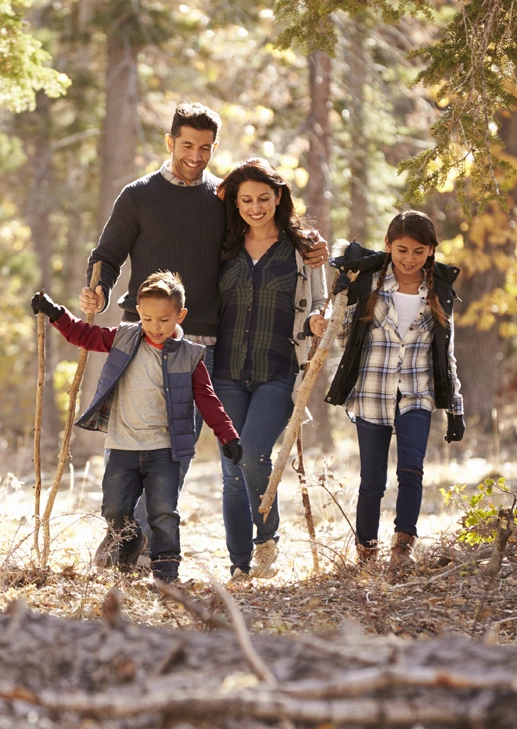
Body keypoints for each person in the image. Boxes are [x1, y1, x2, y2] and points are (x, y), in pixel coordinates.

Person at [77, 102, 328, 548]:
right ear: (170, 142)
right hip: (141, 336)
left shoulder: (221, 199)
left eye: (206, 147)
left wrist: (309, 243)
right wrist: (96, 287)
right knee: (136, 441)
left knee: (178, 449)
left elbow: (263, 228)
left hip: (202, 343)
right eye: (187, 145)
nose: (196, 155)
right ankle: (123, 531)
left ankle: (137, 543)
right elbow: (107, 256)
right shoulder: (137, 195)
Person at [31, 271, 242, 583]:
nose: (155, 327)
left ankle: (166, 571)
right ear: (139, 314)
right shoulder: (125, 338)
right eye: (147, 319)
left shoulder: (189, 355)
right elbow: (85, 336)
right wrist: (56, 313)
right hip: (122, 446)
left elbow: (207, 398)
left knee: (163, 513)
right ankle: (129, 541)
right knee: (114, 509)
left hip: (164, 450)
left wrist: (227, 435)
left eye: (164, 320)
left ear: (180, 315)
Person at [325, 210, 465, 568]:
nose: (409, 258)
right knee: (372, 481)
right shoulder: (369, 282)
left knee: (411, 470)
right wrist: (343, 300)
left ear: (431, 250)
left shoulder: (439, 290)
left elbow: (445, 352)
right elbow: (342, 339)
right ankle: (366, 552)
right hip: (372, 392)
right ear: (388, 245)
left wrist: (455, 407)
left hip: (417, 393)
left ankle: (403, 547)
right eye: (402, 249)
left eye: (419, 251)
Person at [212, 158, 328, 584]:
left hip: (279, 370)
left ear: (278, 197)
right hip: (225, 371)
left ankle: (266, 536)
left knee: (254, 453)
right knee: (230, 469)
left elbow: (321, 301)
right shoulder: (223, 244)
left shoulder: (303, 249)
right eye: (246, 200)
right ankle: (239, 564)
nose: (256, 207)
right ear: (236, 203)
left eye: (264, 198)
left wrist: (319, 319)